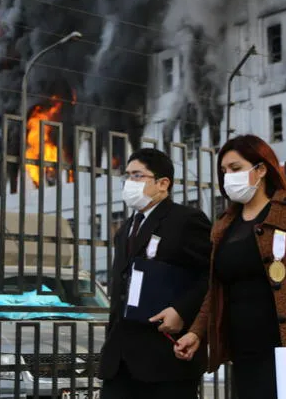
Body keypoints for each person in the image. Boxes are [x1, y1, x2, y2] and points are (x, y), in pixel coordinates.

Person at [173, 135, 286, 399]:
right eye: (224, 171)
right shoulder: (224, 225)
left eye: (236, 168)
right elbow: (215, 289)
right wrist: (196, 332)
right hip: (243, 349)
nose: (228, 176)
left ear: (261, 169)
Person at [98, 148, 212, 399]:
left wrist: (182, 311)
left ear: (163, 183)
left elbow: (211, 276)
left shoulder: (186, 220)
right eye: (127, 176)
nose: (130, 183)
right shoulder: (125, 229)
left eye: (138, 176)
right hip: (120, 360)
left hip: (164, 359)